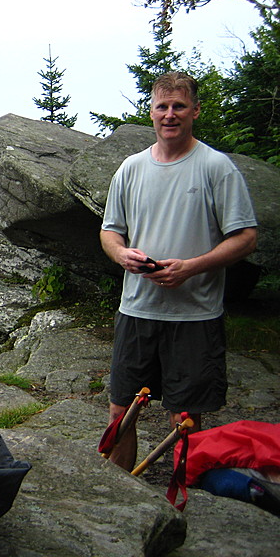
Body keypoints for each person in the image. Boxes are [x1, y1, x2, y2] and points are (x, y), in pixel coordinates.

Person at [100, 71, 258, 471]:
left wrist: (191, 267)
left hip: (195, 314)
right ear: (151, 113)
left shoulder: (215, 168)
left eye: (179, 106)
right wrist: (122, 256)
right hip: (137, 309)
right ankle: (118, 495)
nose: (170, 115)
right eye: (162, 107)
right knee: (121, 411)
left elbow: (245, 237)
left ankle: (182, 494)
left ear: (195, 111)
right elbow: (109, 231)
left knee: (185, 418)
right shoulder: (131, 169)